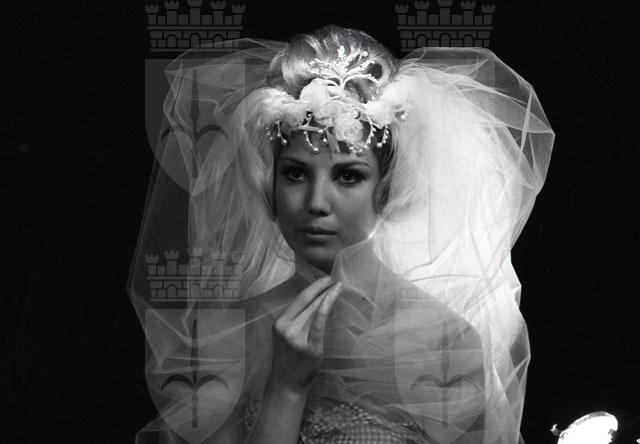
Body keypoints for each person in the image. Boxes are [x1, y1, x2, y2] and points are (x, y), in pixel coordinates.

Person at [129, 25, 554, 444]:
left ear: (385, 188)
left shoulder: (445, 340)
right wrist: (285, 387)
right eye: (295, 173)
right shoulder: (226, 336)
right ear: (269, 181)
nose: (316, 202)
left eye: (348, 176)